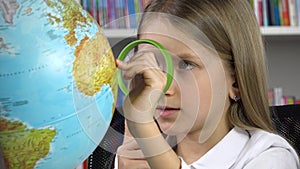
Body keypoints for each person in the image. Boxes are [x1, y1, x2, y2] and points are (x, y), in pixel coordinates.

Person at [114, 0, 300, 168]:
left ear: (235, 82)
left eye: (186, 64)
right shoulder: (131, 155)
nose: (162, 86)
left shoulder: (271, 159)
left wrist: (149, 140)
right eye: (153, 64)